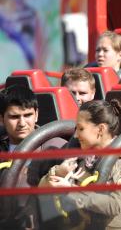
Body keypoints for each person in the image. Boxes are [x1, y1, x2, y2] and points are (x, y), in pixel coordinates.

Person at [39, 99, 121, 229]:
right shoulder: (80, 156)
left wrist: (71, 191)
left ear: (100, 129)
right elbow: (42, 189)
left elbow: (114, 205)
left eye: (81, 128)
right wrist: (59, 172)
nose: (76, 135)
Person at [0, 85, 67, 229]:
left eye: (28, 115)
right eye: (14, 117)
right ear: (1, 118)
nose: (22, 123)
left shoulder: (56, 147)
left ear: (36, 114)